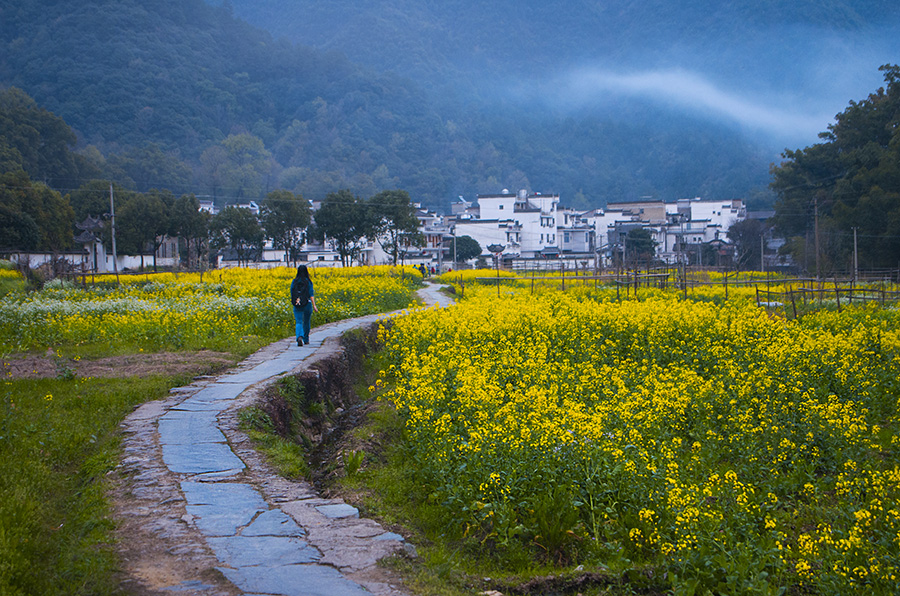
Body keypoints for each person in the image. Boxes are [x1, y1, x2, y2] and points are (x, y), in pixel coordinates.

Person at [290, 265, 318, 346]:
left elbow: (292, 293)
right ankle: (306, 339)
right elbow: (311, 294)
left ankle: (299, 336)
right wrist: (314, 305)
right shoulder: (308, 282)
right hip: (307, 304)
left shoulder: (294, 281)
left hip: (297, 304)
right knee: (306, 322)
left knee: (298, 322)